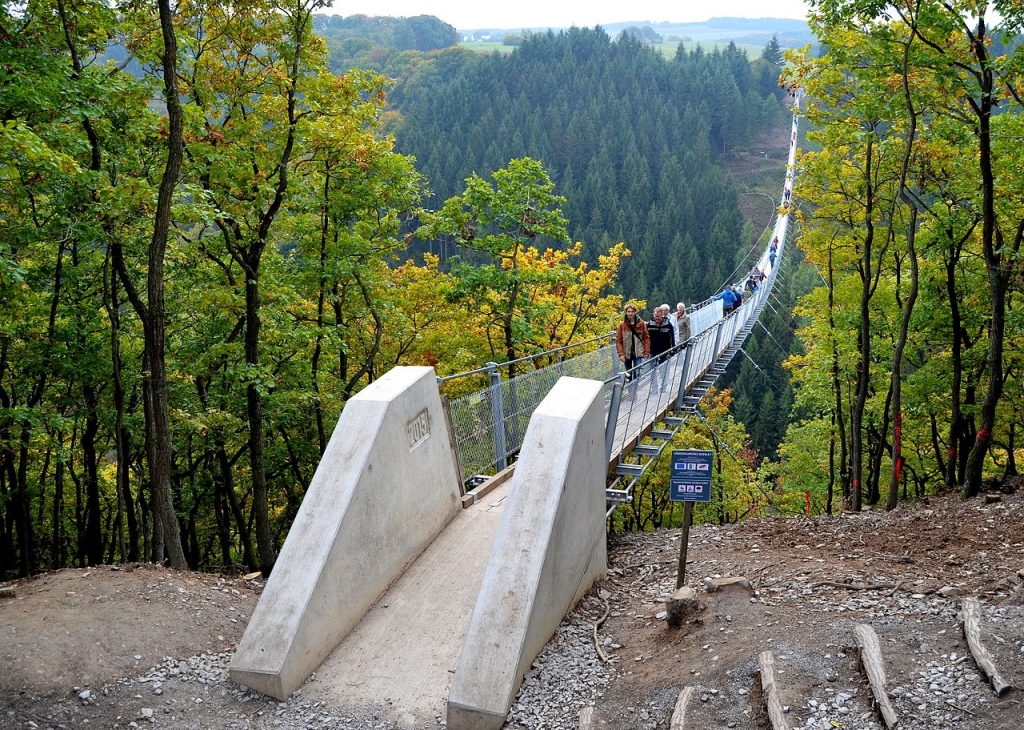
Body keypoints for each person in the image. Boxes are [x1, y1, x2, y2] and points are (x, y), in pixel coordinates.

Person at [615, 303, 650, 380]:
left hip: (638, 352)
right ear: (626, 312)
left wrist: (646, 352)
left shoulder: (641, 323)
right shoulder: (622, 325)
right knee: (628, 374)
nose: (630, 313)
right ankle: (631, 391)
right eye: (628, 311)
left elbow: (646, 338)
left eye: (632, 311)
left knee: (637, 372)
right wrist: (621, 354)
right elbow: (619, 341)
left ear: (635, 312)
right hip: (627, 353)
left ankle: (635, 389)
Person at [647, 305, 675, 391]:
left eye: (659, 316)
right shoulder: (649, 325)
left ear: (662, 315)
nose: (657, 318)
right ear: (653, 315)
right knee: (652, 371)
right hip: (653, 351)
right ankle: (654, 388)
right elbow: (646, 338)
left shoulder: (668, 325)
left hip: (665, 351)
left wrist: (672, 350)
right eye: (656, 316)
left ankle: (663, 387)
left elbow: (672, 338)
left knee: (664, 371)